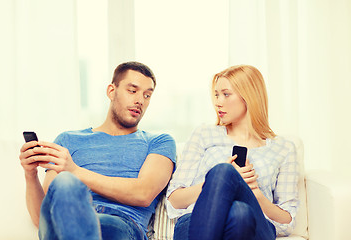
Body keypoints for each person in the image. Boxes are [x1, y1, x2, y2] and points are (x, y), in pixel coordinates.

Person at [19, 61, 176, 240]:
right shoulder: (68, 140)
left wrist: (75, 171)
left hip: (121, 224)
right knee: (64, 183)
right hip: (65, 222)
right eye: (132, 91)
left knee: (67, 180)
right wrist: (30, 174)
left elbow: (143, 194)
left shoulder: (159, 142)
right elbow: (42, 219)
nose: (140, 100)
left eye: (147, 95)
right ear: (111, 91)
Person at [166, 65, 299, 240]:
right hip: (195, 220)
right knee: (229, 185)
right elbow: (174, 200)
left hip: (257, 224)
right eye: (216, 95)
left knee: (243, 211)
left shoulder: (284, 148)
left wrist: (255, 193)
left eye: (226, 94)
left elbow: (287, 221)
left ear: (249, 96)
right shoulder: (204, 134)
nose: (218, 102)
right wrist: (217, 183)